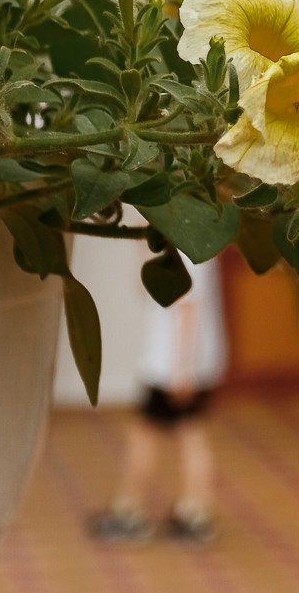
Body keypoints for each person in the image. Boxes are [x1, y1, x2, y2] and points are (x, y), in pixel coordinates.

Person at [87, 208, 228, 547]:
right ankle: (194, 510)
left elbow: (188, 307)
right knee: (189, 431)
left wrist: (182, 370)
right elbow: (150, 289)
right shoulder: (195, 243)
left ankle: (131, 510)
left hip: (172, 364)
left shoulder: (185, 249)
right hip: (187, 361)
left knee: (146, 433)